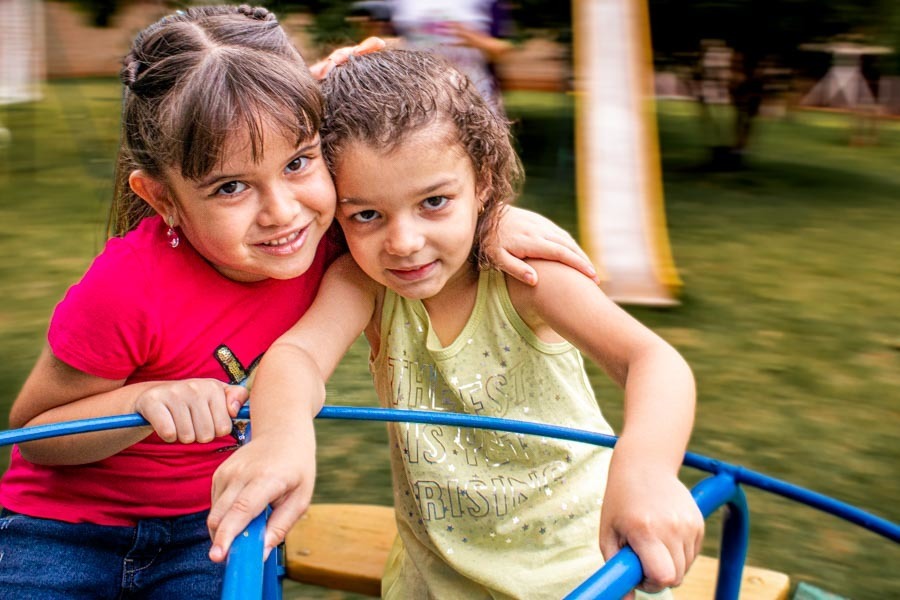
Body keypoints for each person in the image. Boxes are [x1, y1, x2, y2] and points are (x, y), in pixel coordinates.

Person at [0, 7, 597, 599]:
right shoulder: (128, 287)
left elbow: (415, 163)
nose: (282, 211)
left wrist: (489, 222)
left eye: (298, 163)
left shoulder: (342, 235)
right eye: (230, 187)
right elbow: (34, 435)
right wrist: (145, 399)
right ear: (163, 199)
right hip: (62, 531)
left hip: (216, 519)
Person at [210, 49, 704, 599]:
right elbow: (298, 355)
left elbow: (653, 361)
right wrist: (281, 438)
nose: (403, 242)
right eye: (366, 214)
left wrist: (647, 471)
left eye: (435, 202)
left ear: (484, 182)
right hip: (433, 585)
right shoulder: (364, 282)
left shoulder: (523, 273)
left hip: (580, 577)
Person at [388, 0, 513, 114]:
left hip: (475, 95)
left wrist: (472, 38)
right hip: (419, 97)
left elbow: (504, 50)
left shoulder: (485, 3)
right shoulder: (401, 4)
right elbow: (387, 42)